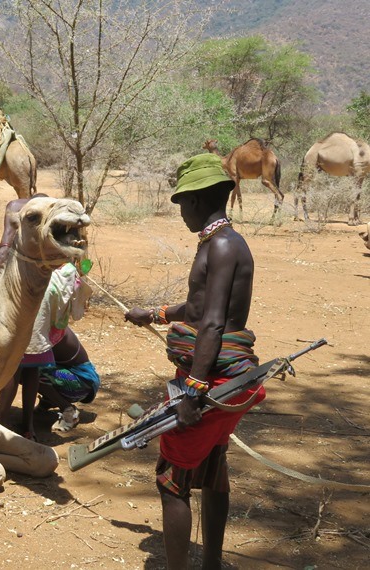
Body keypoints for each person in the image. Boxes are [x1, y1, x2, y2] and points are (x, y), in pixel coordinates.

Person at [124, 153, 265, 570]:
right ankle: (213, 563)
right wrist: (152, 315)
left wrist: (193, 392)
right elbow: (199, 306)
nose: (181, 210)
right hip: (223, 377)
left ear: (200, 200)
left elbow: (214, 324)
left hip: (214, 380)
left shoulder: (221, 245)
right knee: (213, 468)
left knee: (173, 481)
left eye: (183, 202)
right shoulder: (219, 241)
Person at [0, 261, 90, 440]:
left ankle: (66, 408)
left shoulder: (46, 328)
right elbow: (84, 265)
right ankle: (28, 426)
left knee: (15, 369)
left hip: (80, 382)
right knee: (32, 369)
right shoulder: (52, 320)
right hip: (75, 377)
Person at [37, 327, 101, 431]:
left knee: (30, 369)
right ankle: (49, 400)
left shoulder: (47, 329)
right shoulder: (48, 323)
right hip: (80, 379)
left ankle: (68, 410)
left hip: (82, 381)